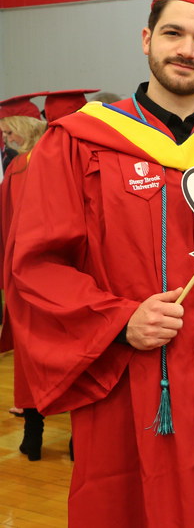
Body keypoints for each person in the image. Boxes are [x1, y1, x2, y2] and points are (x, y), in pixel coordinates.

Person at [6, 0, 194, 527]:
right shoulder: (80, 142)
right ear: (146, 37)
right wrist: (117, 320)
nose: (187, 49)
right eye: (174, 33)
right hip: (130, 380)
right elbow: (36, 266)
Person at [0, 104, 47, 458]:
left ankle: (34, 435)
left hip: (24, 270)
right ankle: (76, 439)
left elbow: (6, 224)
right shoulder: (52, 160)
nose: (5, 139)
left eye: (9, 132)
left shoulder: (19, 168)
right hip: (57, 269)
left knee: (31, 351)